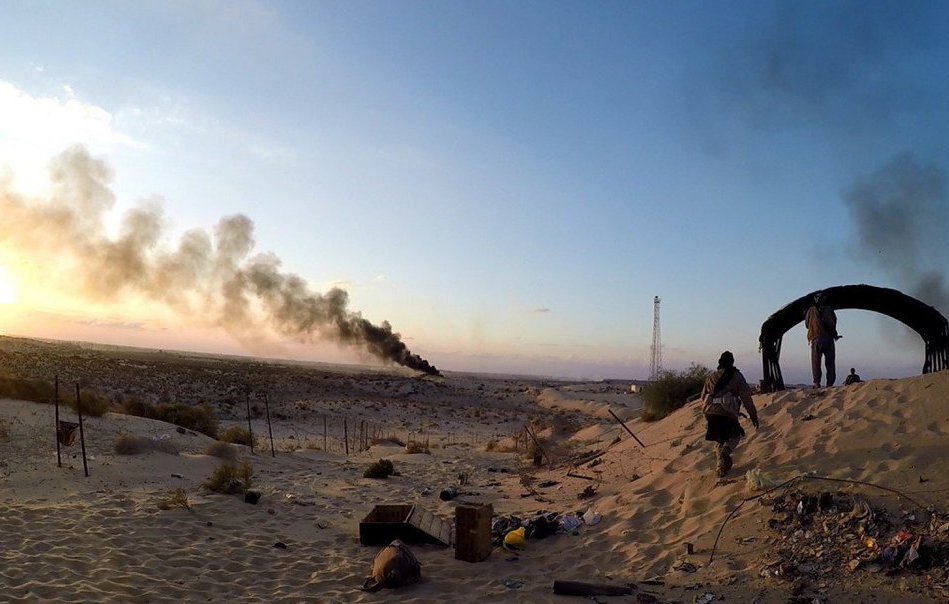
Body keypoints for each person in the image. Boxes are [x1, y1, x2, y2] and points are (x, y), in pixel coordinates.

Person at [701, 351, 759, 478]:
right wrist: (753, 416)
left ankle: (720, 467)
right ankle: (725, 453)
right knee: (735, 436)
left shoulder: (711, 377)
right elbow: (746, 398)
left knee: (719, 439)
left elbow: (703, 397)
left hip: (711, 413)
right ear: (732, 362)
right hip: (727, 413)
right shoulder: (737, 376)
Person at [805, 292, 840, 388]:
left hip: (816, 338)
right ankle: (830, 384)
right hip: (829, 339)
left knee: (816, 362)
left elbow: (807, 324)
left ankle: (817, 383)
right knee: (830, 363)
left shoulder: (811, 310)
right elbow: (834, 322)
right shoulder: (829, 309)